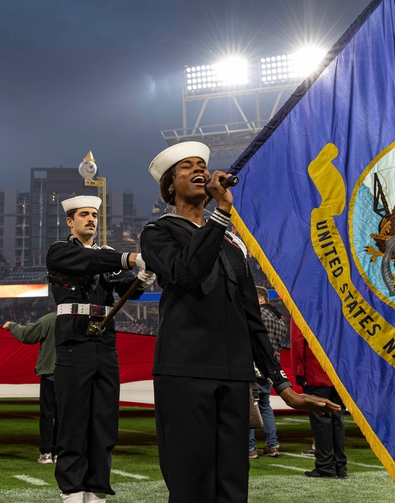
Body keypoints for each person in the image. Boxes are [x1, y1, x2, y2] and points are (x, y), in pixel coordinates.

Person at [140, 141, 340, 503]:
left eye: (203, 163)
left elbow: (253, 318)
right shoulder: (158, 233)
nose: (200, 169)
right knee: (191, 486)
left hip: (234, 378)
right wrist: (221, 213)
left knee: (233, 486)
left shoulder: (233, 245)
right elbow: (185, 274)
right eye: (187, 166)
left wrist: (282, 385)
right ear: (170, 185)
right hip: (184, 373)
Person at [47, 194, 154, 503]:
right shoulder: (60, 251)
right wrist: (130, 259)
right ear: (70, 221)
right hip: (73, 344)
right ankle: (71, 491)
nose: (91, 219)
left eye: (94, 214)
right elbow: (87, 261)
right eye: (84, 215)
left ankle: (97, 492)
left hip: (105, 344)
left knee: (104, 422)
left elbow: (127, 291)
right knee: (72, 421)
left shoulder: (105, 256)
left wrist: (143, 278)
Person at [290, 319, 347, 479]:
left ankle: (326, 466)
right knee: (337, 419)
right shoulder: (337, 307)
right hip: (339, 371)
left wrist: (299, 371)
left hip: (316, 371)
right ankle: (340, 466)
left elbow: (297, 339)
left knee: (321, 420)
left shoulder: (302, 306)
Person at [3, 312, 59, 464]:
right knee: (63, 416)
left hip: (50, 374)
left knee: (47, 415)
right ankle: (58, 452)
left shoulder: (49, 319)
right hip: (70, 376)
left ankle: (47, 452)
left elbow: (28, 335)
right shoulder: (75, 320)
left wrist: (11, 326)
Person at [248, 286, 288, 459]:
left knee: (249, 406)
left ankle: (250, 448)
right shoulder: (280, 320)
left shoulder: (258, 316)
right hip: (270, 370)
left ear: (261, 300)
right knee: (265, 406)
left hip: (254, 366)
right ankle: (272, 445)